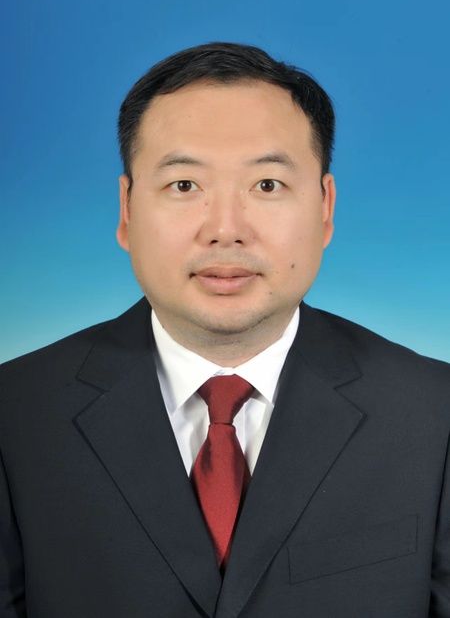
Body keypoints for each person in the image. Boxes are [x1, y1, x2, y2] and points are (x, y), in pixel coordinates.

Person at [1, 41, 449, 618]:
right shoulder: (16, 414)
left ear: (325, 208)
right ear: (127, 211)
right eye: (185, 185)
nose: (225, 229)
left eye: (267, 185)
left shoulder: (434, 416)